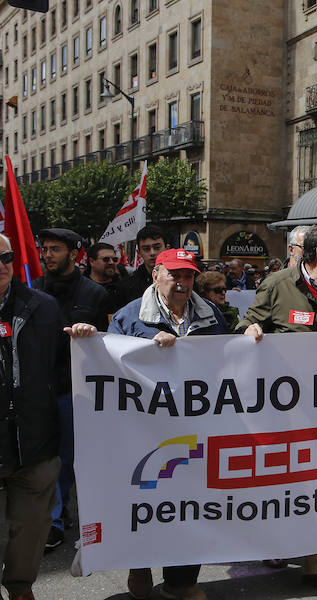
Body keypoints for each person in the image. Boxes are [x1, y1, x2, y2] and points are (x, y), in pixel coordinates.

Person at [74, 248, 226, 600]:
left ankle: (181, 581)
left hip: (195, 426)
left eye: (188, 275)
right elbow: (110, 368)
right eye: (174, 275)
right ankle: (139, 568)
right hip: (142, 429)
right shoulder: (130, 318)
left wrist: (246, 337)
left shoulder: (210, 314)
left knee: (192, 505)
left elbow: (224, 360)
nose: (182, 282)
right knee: (144, 499)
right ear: (156, 274)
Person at [238, 225, 317, 594]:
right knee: (283, 485)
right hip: (282, 411)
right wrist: (248, 331)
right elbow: (244, 323)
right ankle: (277, 545)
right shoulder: (277, 285)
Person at [33, 228, 109, 551]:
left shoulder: (95, 294)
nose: (47, 254)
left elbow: (110, 342)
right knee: (45, 457)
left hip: (77, 391)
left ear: (75, 253)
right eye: (45, 249)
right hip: (40, 389)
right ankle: (53, 520)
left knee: (67, 458)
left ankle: (64, 514)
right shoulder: (33, 290)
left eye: (55, 249)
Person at [0, 233, 66, 600]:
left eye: (6, 257)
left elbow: (61, 365)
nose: (1, 265)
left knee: (32, 525)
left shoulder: (43, 306)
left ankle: (21, 586)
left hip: (35, 443)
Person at [117, 224, 167, 309]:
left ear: (167, 248)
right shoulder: (127, 285)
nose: (152, 253)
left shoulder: (182, 278)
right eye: (146, 249)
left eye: (157, 247)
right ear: (139, 252)